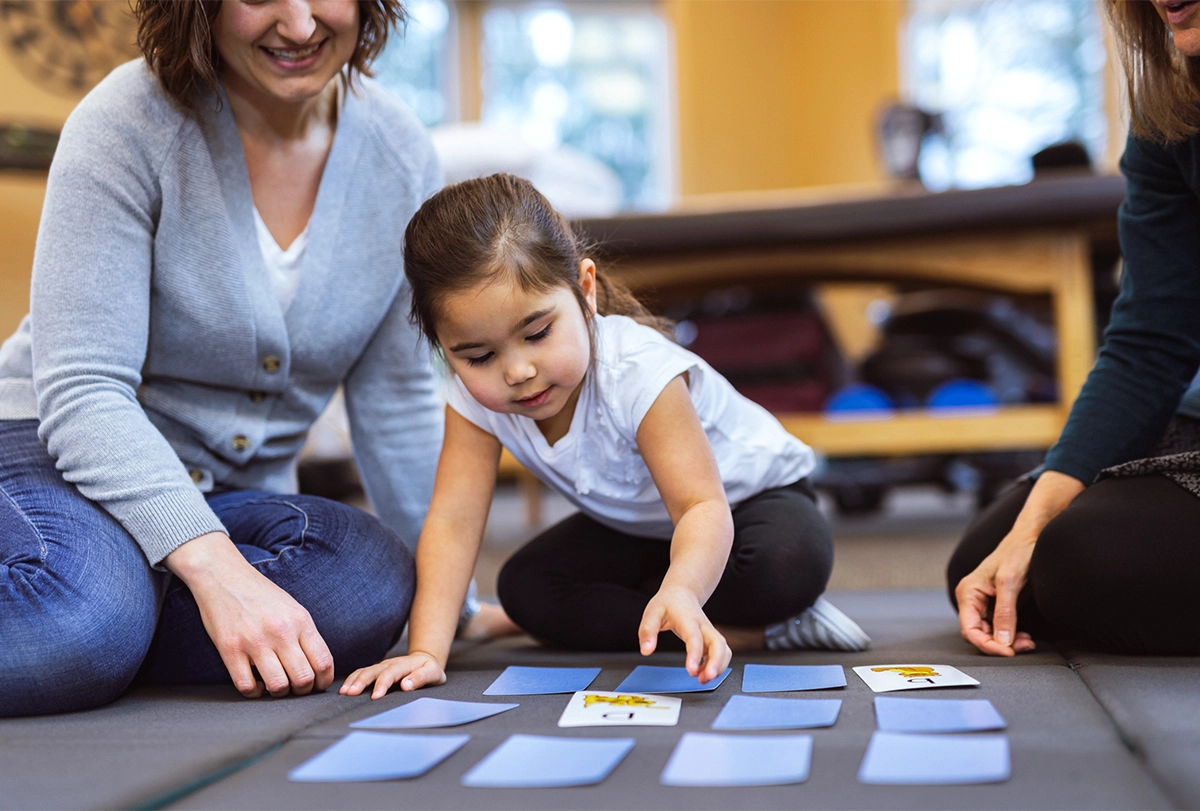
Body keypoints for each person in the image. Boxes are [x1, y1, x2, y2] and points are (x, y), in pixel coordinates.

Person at [0, 0, 445, 717]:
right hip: (49, 449)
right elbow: (83, 390)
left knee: (372, 582)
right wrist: (215, 570)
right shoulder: (125, 122)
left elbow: (397, 398)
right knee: (84, 620)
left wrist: (453, 600)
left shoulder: (400, 155)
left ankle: (114, 617)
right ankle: (102, 617)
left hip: (222, 492)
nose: (299, 26)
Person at [340, 173, 870, 700]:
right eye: (478, 356)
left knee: (787, 561)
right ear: (443, 349)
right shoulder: (473, 401)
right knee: (528, 589)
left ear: (585, 292)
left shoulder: (639, 372)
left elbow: (701, 507)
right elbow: (454, 520)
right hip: (644, 531)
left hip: (746, 507)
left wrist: (682, 589)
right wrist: (428, 651)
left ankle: (711, 610)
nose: (517, 371)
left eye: (538, 333)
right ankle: (748, 635)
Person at [947, 0, 1200, 657]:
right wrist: (1032, 525)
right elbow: (1150, 340)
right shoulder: (1170, 105)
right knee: (990, 560)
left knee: (1081, 561)